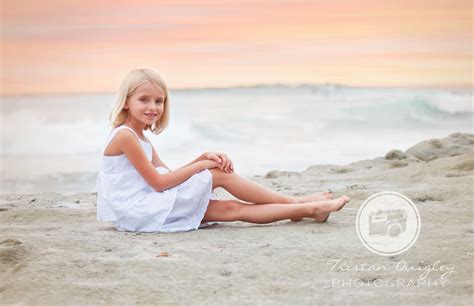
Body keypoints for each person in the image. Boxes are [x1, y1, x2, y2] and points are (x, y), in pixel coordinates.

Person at [96, 68, 350, 233]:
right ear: (126, 102)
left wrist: (202, 157)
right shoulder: (125, 137)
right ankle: (299, 203)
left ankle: (306, 209)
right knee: (218, 174)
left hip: (149, 204)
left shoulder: (140, 137)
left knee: (231, 209)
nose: (153, 107)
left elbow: (167, 174)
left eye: (159, 101)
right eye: (144, 99)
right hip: (140, 210)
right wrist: (202, 166)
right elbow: (160, 183)